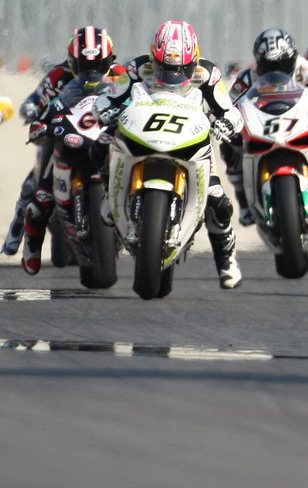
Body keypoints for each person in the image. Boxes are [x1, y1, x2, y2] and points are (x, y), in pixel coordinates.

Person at [82, 21, 246, 288]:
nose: (173, 75)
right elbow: (109, 97)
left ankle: (226, 259)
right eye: (165, 68)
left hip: (191, 138)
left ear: (194, 59)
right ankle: (107, 191)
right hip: (143, 131)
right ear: (153, 58)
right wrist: (106, 109)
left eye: (181, 69)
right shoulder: (137, 68)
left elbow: (229, 111)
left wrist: (227, 123)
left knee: (219, 203)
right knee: (100, 144)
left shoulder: (209, 74)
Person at [224, 29, 308, 255]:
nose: (275, 71)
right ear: (258, 62)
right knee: (228, 142)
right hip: (265, 125)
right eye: (268, 65)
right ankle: (244, 201)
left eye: (282, 65)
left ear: (293, 58)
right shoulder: (248, 77)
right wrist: (225, 121)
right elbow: (225, 105)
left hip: (305, 124)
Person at [5, 26, 127, 256]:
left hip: (104, 132)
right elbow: (35, 101)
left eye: (97, 64)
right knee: (33, 185)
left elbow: (136, 95)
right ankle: (17, 227)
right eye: (83, 65)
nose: (90, 71)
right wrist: (33, 110)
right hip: (66, 131)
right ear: (72, 61)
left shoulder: (120, 75)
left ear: (109, 59)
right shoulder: (58, 75)